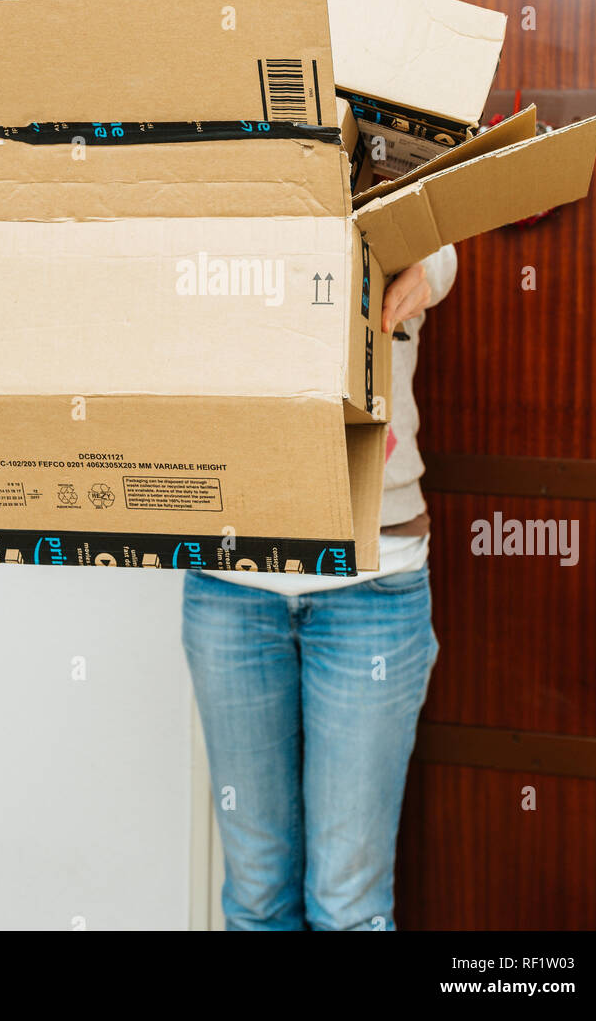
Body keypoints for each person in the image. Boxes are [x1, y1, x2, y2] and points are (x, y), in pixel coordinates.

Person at [181, 246, 457, 931]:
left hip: (374, 578)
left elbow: (447, 216)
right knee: (256, 898)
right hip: (232, 580)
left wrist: (435, 268)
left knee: (347, 908)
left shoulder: (379, 152)